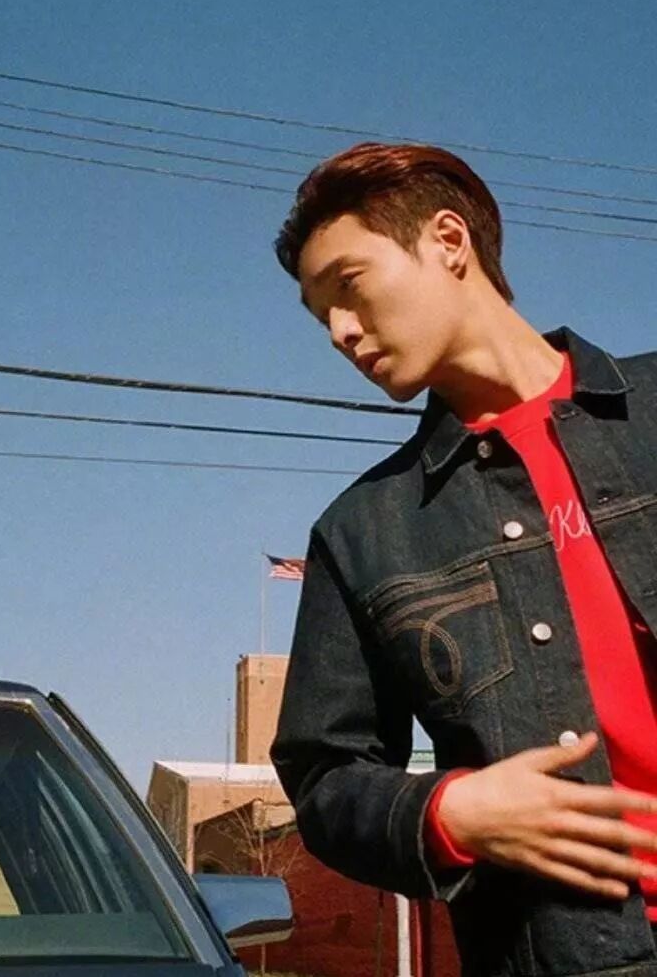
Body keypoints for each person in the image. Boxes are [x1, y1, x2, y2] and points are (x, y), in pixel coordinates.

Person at [269, 141, 657, 977]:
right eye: (320, 314)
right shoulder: (363, 531)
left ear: (448, 241)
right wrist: (451, 811)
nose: (339, 331)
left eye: (348, 285)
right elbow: (323, 774)